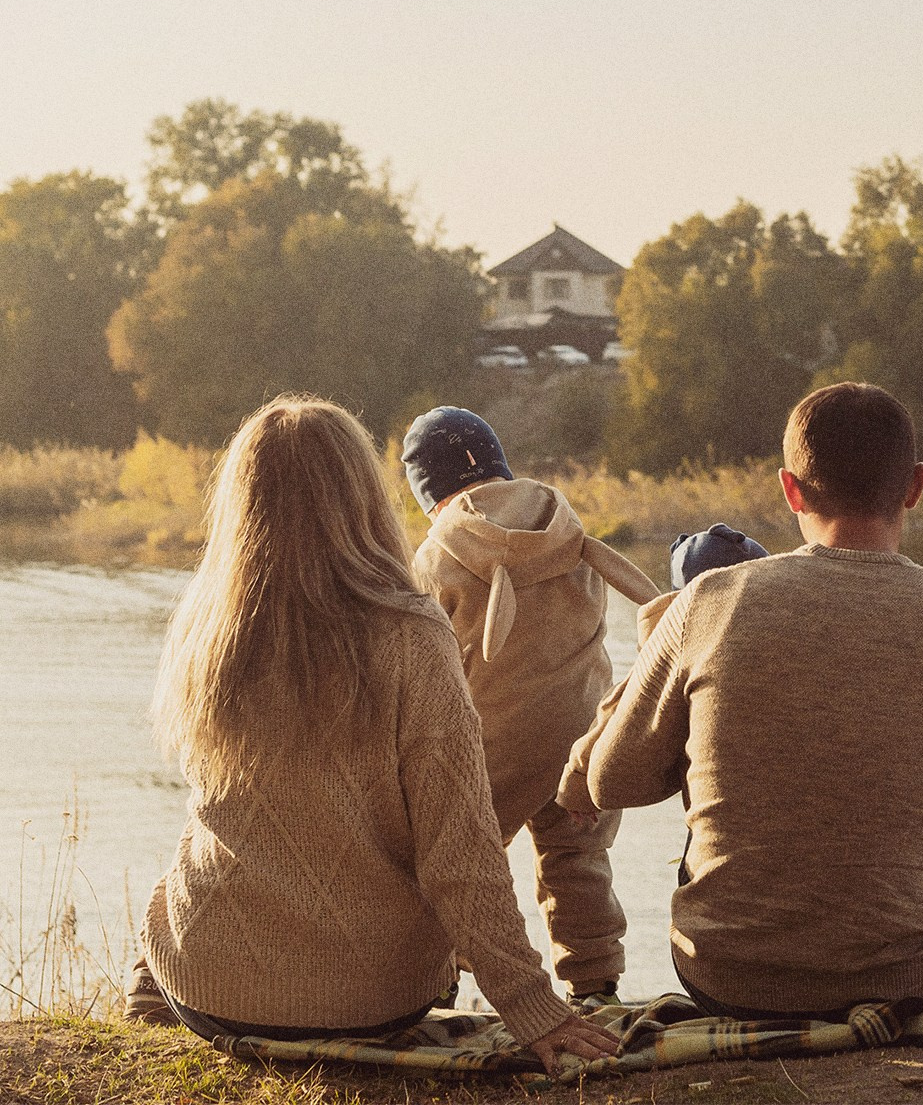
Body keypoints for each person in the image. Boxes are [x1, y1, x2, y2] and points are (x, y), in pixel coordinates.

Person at [585, 382, 923, 1070]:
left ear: (790, 490)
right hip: (915, 990)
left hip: (725, 983)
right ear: (915, 487)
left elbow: (609, 780)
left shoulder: (710, 602)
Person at [139, 395, 616, 1074]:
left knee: (199, 845)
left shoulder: (205, 629)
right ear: (363, 497)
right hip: (374, 998)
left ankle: (143, 1007)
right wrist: (534, 1008)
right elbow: (462, 851)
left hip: (210, 991)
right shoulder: (412, 634)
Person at [401, 406, 659, 1005]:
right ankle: (595, 986)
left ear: (427, 491)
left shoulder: (437, 558)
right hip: (590, 735)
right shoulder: (568, 530)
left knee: (460, 869)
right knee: (578, 862)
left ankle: (441, 984)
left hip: (496, 748)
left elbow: (420, 666)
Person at [557, 523, 769, 824]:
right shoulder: (772, 635)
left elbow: (619, 710)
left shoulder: (676, 644)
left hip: (712, 824)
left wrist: (576, 782)